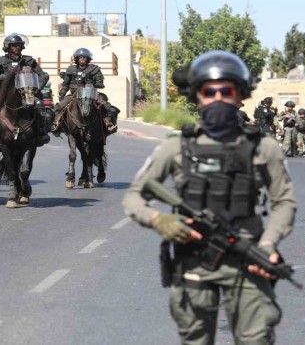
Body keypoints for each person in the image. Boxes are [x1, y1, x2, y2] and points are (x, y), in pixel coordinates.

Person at [123, 50, 296, 345]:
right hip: (194, 262)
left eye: (226, 91)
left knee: (256, 339)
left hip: (247, 259)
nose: (217, 98)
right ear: (196, 97)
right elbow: (134, 197)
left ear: (240, 95)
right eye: (209, 91)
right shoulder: (176, 148)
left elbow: (284, 202)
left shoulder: (263, 148)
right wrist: (160, 219)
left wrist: (268, 244)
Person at [0, 33, 51, 146]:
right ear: (8, 47)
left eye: (19, 45)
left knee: (39, 103)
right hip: (4, 93)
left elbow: (44, 75)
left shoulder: (29, 60)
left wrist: (37, 88)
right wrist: (8, 75)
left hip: (26, 92)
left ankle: (41, 132)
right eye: (14, 45)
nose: (17, 48)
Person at [51, 47, 118, 135]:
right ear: (77, 59)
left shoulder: (94, 69)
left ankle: (108, 123)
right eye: (80, 57)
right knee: (59, 106)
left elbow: (100, 83)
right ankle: (57, 124)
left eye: (84, 57)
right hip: (74, 95)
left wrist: (93, 82)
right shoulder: (71, 69)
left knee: (106, 106)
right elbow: (66, 84)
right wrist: (63, 92)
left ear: (88, 59)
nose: (82, 59)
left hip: (91, 94)